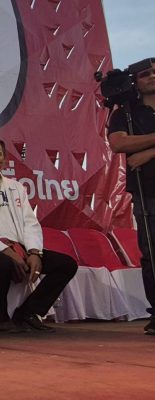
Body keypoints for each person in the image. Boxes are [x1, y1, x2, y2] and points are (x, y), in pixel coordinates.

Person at [0, 138, 77, 333]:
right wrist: (7, 250)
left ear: (4, 158)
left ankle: (29, 312)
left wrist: (34, 252)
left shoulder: (16, 187)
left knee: (66, 265)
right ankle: (1, 318)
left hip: (19, 247)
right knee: (1, 262)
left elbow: (30, 222)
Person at [108, 57, 155, 335]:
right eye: (146, 74)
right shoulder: (125, 113)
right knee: (151, 253)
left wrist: (149, 152)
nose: (152, 77)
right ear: (135, 82)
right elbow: (119, 143)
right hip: (148, 191)